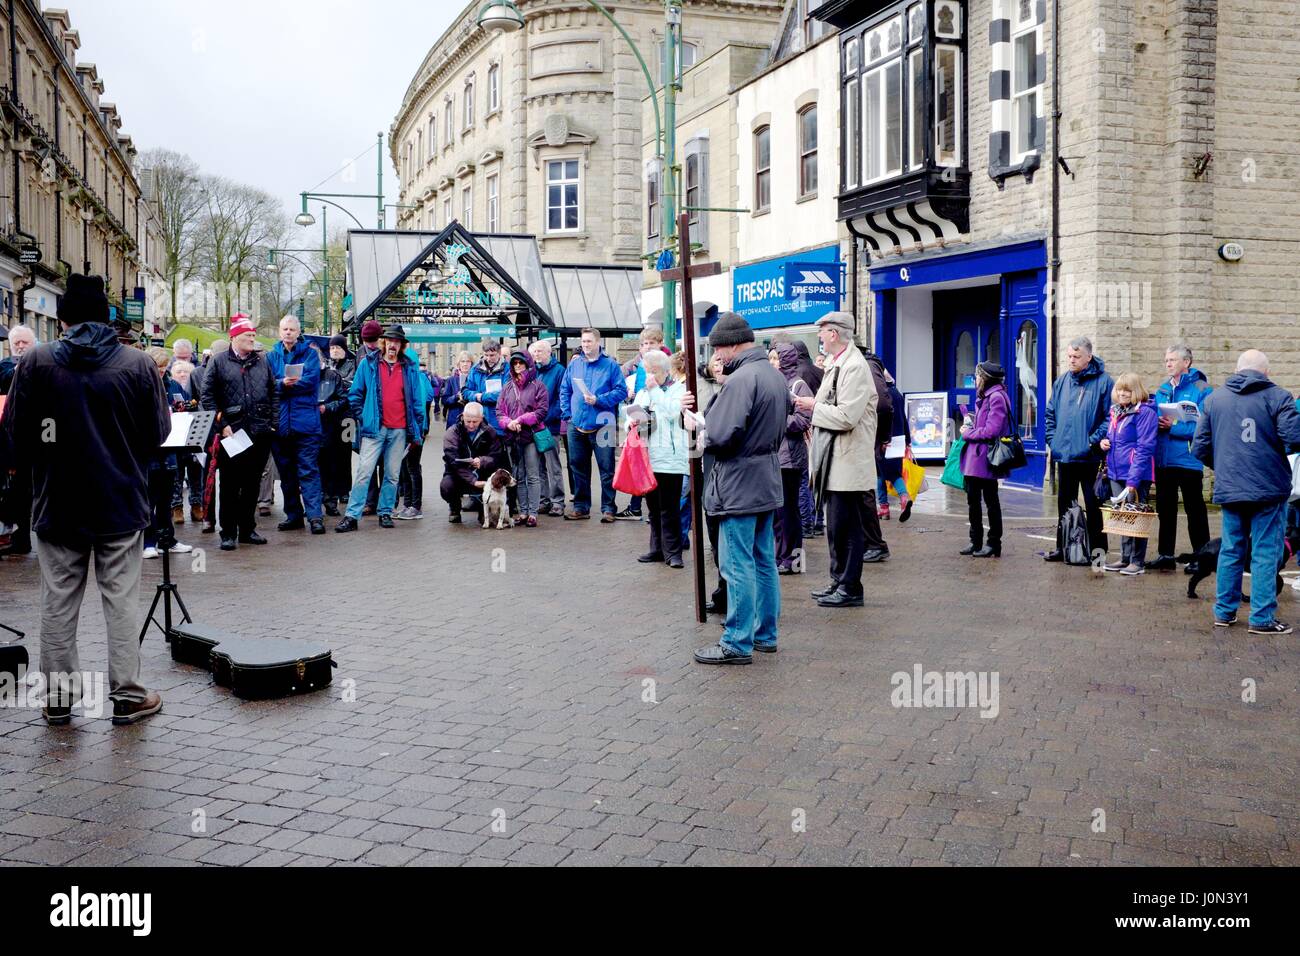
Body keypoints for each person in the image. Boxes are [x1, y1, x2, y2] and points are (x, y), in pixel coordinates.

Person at [1, 274, 168, 725]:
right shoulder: (136, 364)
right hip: (119, 500)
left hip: (58, 501)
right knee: (121, 600)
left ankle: (58, 697)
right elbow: (159, 432)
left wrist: (38, 466)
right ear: (108, 317)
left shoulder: (35, 361)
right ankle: (128, 695)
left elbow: (15, 432)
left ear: (62, 317)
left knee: (58, 599)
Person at [692, 313, 787, 664]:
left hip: (738, 484)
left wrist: (703, 432)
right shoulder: (772, 375)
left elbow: (721, 434)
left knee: (737, 565)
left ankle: (736, 641)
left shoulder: (741, 380)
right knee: (764, 561)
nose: (719, 357)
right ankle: (765, 634)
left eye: (719, 349)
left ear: (733, 344)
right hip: (765, 478)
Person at [1192, 350, 1300, 633]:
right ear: (1266, 372)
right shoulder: (1279, 397)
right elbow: (1294, 438)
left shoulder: (1214, 399)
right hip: (1269, 488)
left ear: (1237, 370)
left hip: (1231, 487)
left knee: (1231, 549)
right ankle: (1262, 618)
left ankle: (1225, 612)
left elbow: (1200, 447)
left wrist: (1226, 467)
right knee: (1265, 552)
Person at [795, 312, 879, 609]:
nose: (818, 336)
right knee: (836, 526)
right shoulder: (837, 364)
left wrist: (812, 407)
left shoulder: (854, 367)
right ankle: (838, 580)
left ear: (834, 333)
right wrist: (815, 406)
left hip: (848, 461)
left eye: (821, 332)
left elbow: (846, 417)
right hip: (836, 461)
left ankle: (851, 586)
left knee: (848, 527)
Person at [336, 324, 427, 532]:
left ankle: (385, 512)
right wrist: (363, 417)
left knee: (392, 474)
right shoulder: (369, 364)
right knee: (364, 472)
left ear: (402, 345)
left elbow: (416, 400)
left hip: (400, 430)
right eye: (390, 341)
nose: (393, 345)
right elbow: (355, 394)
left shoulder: (409, 366)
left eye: (398, 342)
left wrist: (418, 428)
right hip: (374, 429)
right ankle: (351, 515)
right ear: (384, 342)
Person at [200, 314, 278, 551]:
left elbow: (273, 392)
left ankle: (247, 529)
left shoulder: (262, 361)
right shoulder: (218, 362)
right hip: (231, 433)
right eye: (248, 335)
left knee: (253, 483)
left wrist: (272, 422)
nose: (252, 339)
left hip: (259, 431)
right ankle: (228, 532)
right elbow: (207, 397)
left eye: (254, 335)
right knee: (231, 485)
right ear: (234, 337)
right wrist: (221, 425)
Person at [1043, 336, 1113, 561]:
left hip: (1090, 456)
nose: (1071, 360)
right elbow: (1050, 413)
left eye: (1076, 356)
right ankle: (1063, 548)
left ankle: (1098, 552)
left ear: (1089, 357)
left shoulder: (1104, 382)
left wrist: (1092, 441)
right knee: (1064, 504)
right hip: (1064, 455)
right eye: (1069, 356)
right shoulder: (1062, 381)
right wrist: (1053, 440)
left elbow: (1109, 417)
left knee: (1094, 506)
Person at [1148, 344, 1212, 571]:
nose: (1167, 363)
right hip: (1164, 458)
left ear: (1186, 362)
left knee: (1195, 509)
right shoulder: (1163, 389)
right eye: (1166, 360)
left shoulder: (1203, 389)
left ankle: (1202, 557)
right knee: (1165, 510)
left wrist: (1173, 425)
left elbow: (1203, 427)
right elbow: (1155, 418)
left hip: (1188, 459)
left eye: (1172, 360)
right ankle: (1165, 555)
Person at [630, 350, 692, 567]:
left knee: (670, 508)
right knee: (654, 509)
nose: (647, 375)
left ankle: (673, 553)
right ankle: (656, 548)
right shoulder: (644, 391)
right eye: (646, 371)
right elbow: (631, 411)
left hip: (671, 460)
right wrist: (631, 420)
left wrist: (655, 390)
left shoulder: (678, 390)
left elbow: (672, 411)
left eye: (651, 371)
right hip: (648, 458)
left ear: (662, 371)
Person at [559, 328, 628, 522]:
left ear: (598, 342)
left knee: (606, 469)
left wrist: (598, 400)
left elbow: (621, 391)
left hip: (603, 424)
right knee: (577, 467)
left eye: (589, 341)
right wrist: (568, 415)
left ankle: (608, 508)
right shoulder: (574, 365)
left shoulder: (610, 365)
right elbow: (565, 390)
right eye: (583, 341)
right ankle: (581, 507)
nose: (585, 345)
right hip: (576, 423)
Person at [266, 316, 326, 535]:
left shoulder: (310, 354)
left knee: (309, 472)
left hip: (306, 425)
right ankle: (293, 515)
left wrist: (285, 385)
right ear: (279, 331)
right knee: (287, 474)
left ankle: (315, 517)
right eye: (285, 329)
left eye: (292, 329)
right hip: (280, 426)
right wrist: (282, 383)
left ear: (298, 331)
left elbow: (311, 381)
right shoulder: (271, 356)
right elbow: (266, 383)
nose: (288, 332)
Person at [1098, 372, 1158, 574]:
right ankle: (1125, 558)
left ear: (1135, 391)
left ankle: (1137, 561)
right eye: (1120, 389)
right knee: (1123, 516)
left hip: (1135, 473)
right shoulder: (1116, 411)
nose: (1122, 393)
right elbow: (1115, 438)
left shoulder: (1145, 412)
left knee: (1137, 515)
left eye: (1127, 390)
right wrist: (1104, 443)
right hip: (1116, 471)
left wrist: (1133, 480)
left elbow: (1144, 448)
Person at [142, 348, 194, 560]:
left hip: (171, 449)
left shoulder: (172, 385)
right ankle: (148, 542)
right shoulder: (141, 385)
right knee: (149, 499)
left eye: (165, 368)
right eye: (158, 368)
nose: (161, 372)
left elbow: (185, 405)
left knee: (167, 499)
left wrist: (183, 410)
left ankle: (168, 540)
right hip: (149, 450)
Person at [616, 327, 670, 521]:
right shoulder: (638, 366)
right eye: (644, 344)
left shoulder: (667, 365)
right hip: (640, 419)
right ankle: (637, 506)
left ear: (660, 344)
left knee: (651, 466)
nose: (647, 347)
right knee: (638, 463)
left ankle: (649, 508)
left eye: (651, 343)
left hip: (658, 424)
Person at [958, 362, 1011, 558]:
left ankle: (993, 543)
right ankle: (975, 541)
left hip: (986, 458)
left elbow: (992, 430)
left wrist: (968, 433)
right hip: (976, 458)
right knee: (973, 501)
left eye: (977, 375)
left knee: (990, 501)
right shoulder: (986, 396)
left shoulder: (996, 397)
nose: (975, 379)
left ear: (985, 378)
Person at [769, 343, 812, 574]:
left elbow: (804, 419)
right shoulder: (774, 384)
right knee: (777, 512)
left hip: (791, 459)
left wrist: (776, 422)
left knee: (789, 512)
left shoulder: (799, 385)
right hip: (774, 456)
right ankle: (779, 556)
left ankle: (793, 560)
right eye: (771, 358)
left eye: (776, 358)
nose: (773, 363)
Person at [496, 347, 550, 526]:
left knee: (533, 474)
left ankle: (533, 513)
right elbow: (500, 412)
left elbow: (541, 411)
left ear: (528, 364)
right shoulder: (507, 387)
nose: (518, 365)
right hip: (513, 437)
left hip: (531, 436)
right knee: (517, 475)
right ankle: (523, 512)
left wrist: (520, 419)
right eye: (515, 362)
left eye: (521, 362)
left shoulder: (538, 386)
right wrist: (508, 423)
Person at [0, 324, 36, 555]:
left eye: (25, 343)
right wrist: (17, 370)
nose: (21, 347)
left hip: (38, 434)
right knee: (14, 491)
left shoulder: (42, 362)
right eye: (17, 343)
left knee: (31, 490)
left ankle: (25, 536)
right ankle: (15, 536)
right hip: (11, 437)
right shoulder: (5, 366)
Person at [440, 402, 502, 522]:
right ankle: (454, 508)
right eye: (468, 421)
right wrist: (473, 481)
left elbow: (496, 456)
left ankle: (483, 510)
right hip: (457, 472)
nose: (471, 425)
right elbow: (453, 461)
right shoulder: (452, 432)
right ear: (463, 416)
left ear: (481, 418)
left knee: (493, 479)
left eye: (475, 422)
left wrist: (483, 461)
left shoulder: (490, 432)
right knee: (446, 486)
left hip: (482, 471)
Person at [529, 339, 567, 516]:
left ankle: (557, 501)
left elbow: (562, 397)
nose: (536, 355)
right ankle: (544, 500)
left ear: (548, 352)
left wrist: (547, 416)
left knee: (553, 466)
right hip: (532, 426)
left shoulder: (559, 371)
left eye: (539, 351)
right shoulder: (532, 371)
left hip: (549, 426)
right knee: (538, 466)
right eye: (534, 352)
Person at [396, 344, 434, 520]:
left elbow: (424, 401)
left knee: (412, 467)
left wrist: (419, 431)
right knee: (406, 467)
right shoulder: (413, 377)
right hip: (406, 429)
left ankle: (415, 506)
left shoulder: (415, 378)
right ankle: (407, 505)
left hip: (414, 430)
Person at [319, 337, 356, 516]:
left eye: (337, 347)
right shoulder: (325, 364)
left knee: (345, 453)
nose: (334, 351)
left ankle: (345, 490)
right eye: (332, 347)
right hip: (331, 418)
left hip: (347, 417)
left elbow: (351, 385)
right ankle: (332, 489)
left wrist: (336, 380)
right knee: (331, 455)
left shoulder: (352, 363)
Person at [166, 359, 205, 527]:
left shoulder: (190, 389)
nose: (182, 375)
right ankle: (177, 507)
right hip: (175, 438)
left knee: (196, 473)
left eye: (186, 372)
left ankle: (196, 505)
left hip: (193, 436)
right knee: (177, 475)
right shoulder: (171, 386)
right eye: (178, 372)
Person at [876, 370, 912, 522]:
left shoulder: (882, 394)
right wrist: (908, 441)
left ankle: (893, 502)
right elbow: (903, 417)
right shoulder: (896, 393)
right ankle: (887, 506)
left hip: (885, 440)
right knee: (891, 472)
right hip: (898, 439)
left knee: (882, 473)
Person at [462, 339, 508, 435]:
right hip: (478, 420)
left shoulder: (507, 369)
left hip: (499, 420)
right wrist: (474, 396)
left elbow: (506, 394)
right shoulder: (475, 369)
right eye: (486, 355)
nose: (488, 358)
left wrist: (482, 397)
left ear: (499, 353)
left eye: (492, 355)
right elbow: (465, 391)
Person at [442, 350, 474, 430]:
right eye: (463, 361)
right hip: (454, 419)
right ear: (458, 364)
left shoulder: (475, 379)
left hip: (472, 420)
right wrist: (456, 397)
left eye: (468, 361)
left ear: (471, 364)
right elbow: (444, 400)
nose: (465, 364)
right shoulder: (451, 380)